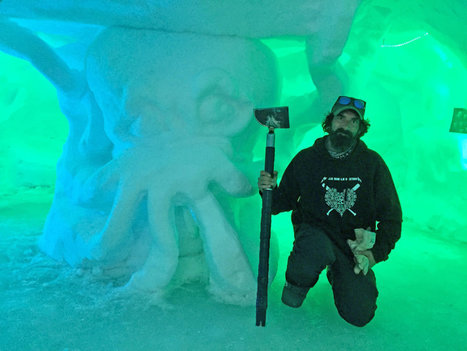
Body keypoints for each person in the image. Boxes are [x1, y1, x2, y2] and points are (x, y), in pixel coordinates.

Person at [257, 96, 402, 327]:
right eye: (341, 117)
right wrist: (268, 190)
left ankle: (338, 273)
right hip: (315, 238)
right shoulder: (307, 159)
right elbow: (279, 203)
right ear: (330, 121)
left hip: (353, 246)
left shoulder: (372, 164)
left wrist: (374, 255)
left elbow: (391, 217)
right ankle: (297, 283)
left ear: (359, 129)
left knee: (359, 314)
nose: (346, 125)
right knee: (307, 263)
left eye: (354, 122)